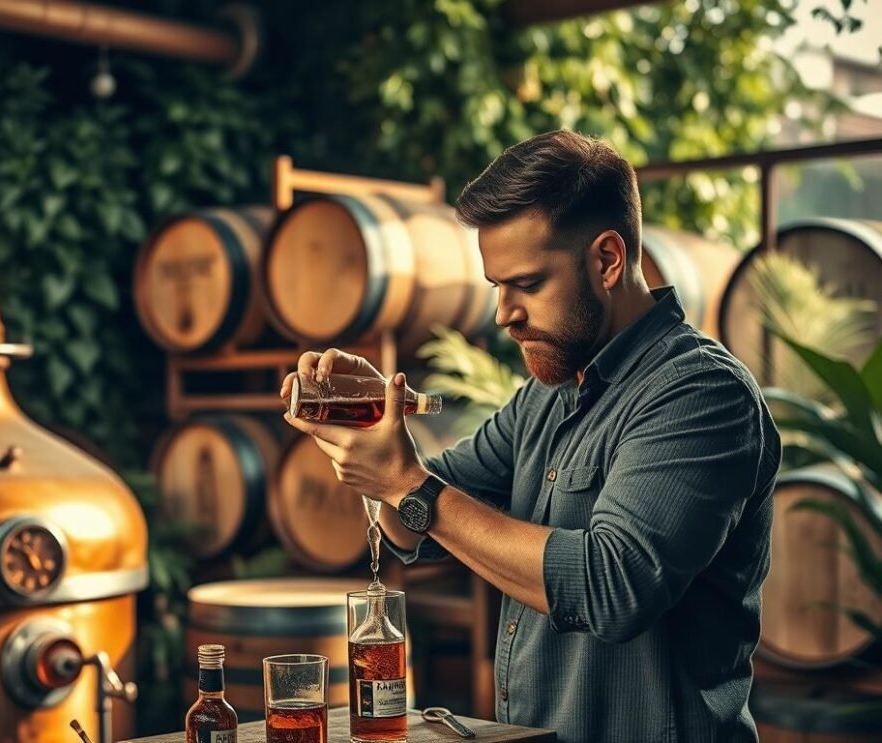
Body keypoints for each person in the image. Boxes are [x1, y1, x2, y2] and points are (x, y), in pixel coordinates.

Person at [281, 130, 780, 742]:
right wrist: (371, 420)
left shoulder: (700, 394)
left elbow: (613, 587)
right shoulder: (545, 396)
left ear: (606, 260)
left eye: (528, 284)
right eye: (497, 286)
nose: (503, 314)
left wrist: (410, 485)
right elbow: (420, 523)